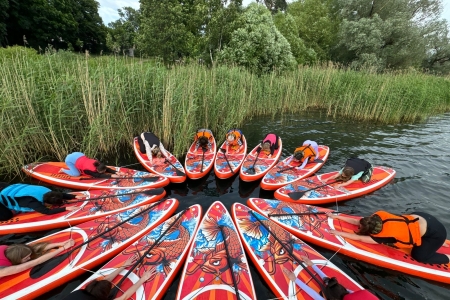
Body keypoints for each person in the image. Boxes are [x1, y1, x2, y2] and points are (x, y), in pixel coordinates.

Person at [327, 211, 450, 265]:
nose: (359, 227)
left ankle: (447, 255)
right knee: (409, 230)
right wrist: (336, 217)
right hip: (423, 218)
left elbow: (360, 239)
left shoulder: (384, 235)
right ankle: (435, 240)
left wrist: (339, 233)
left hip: (435, 233)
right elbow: (358, 221)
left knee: (419, 256)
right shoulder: (375, 219)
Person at [283, 256, 378, 300]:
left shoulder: (355, 294)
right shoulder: (351, 293)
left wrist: (295, 279)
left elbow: (315, 295)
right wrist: (312, 265)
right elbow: (330, 282)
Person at [64, 255, 156, 300]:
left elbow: (103, 282)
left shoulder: (80, 292)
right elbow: (124, 297)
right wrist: (143, 279)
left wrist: (124, 266)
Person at [0, 183, 79, 221]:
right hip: (3, 192)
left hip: (6, 187)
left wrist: (74, 196)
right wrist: (66, 208)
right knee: (7, 216)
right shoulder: (31, 201)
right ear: (46, 202)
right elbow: (47, 211)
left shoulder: (48, 192)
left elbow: (58, 194)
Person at [0, 239, 75, 278]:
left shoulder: (6, 249)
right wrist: (63, 248)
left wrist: (60, 244)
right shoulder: (3, 270)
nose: (29, 258)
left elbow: (32, 249)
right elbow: (37, 261)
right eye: (26, 258)